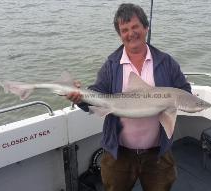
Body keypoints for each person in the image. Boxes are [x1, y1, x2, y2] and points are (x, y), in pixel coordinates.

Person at [67, 3, 191, 191]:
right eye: (124, 30)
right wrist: (80, 98)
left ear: (146, 28)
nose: (131, 33)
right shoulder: (111, 65)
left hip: (157, 154)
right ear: (120, 35)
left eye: (135, 27)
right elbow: (96, 96)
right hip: (119, 154)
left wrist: (171, 103)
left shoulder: (166, 62)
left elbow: (184, 91)